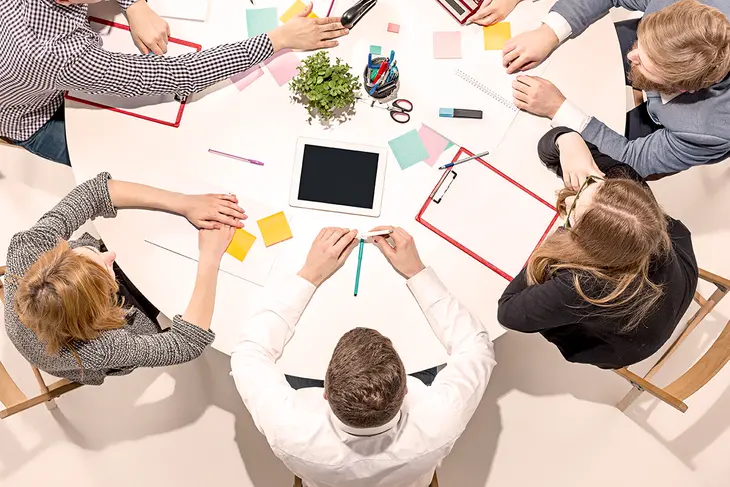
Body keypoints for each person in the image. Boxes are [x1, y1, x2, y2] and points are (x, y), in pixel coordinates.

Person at [231, 227, 496, 487]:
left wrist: (310, 274)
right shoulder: (440, 421)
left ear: (324, 392)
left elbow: (249, 352)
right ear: (404, 390)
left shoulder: (290, 429)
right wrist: (417, 271)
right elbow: (476, 347)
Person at [0, 0, 349, 166]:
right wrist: (279, 38)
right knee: (139, 166)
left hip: (33, 75)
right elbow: (178, 74)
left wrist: (133, 4)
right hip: (33, 117)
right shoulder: (53, 50)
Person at [5, 172, 243, 385]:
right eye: (106, 266)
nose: (111, 254)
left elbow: (96, 191)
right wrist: (210, 256)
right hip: (78, 340)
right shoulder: (98, 347)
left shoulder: (30, 246)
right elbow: (186, 343)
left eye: (90, 253)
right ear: (99, 308)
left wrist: (185, 202)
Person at [497, 127, 699, 369]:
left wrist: (555, 243)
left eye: (573, 214)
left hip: (633, 341)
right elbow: (550, 151)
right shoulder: (624, 195)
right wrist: (568, 139)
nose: (570, 199)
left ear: (590, 247)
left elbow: (508, 311)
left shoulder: (582, 285)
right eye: (590, 186)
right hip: (678, 276)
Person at [498, 0, 730, 178]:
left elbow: (632, 158)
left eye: (645, 63)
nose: (630, 56)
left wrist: (558, 109)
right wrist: (549, 32)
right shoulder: (679, 7)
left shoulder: (710, 131)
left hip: (673, 130)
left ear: (683, 88)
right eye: (640, 44)